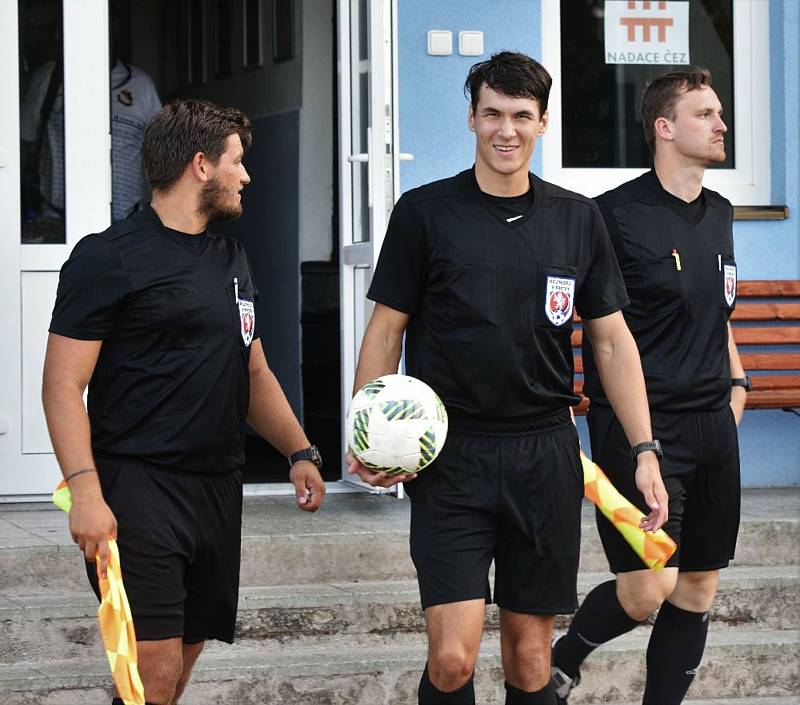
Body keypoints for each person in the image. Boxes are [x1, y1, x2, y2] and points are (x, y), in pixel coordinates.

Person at [347, 51, 668, 705]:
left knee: (529, 659)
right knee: (452, 660)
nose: (505, 129)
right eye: (492, 113)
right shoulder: (425, 213)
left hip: (544, 456)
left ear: (542, 123)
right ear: (471, 117)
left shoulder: (578, 219)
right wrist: (366, 433)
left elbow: (610, 341)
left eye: (521, 115)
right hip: (451, 457)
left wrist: (643, 450)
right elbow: (385, 331)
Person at [42, 99, 326, 705]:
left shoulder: (231, 258)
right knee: (155, 670)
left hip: (218, 487)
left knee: (179, 664)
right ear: (200, 165)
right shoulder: (107, 257)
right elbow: (62, 384)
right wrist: (85, 493)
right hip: (138, 485)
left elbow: (253, 370)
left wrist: (299, 448)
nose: (245, 176)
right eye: (237, 162)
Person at [550, 68, 746, 705]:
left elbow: (717, 316)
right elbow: (601, 329)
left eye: (720, 114)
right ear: (664, 128)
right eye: (706, 114)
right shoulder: (612, 216)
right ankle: (561, 662)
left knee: (698, 588)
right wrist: (642, 444)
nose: (722, 125)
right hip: (638, 429)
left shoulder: (720, 211)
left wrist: (737, 387)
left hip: (713, 425)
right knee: (646, 589)